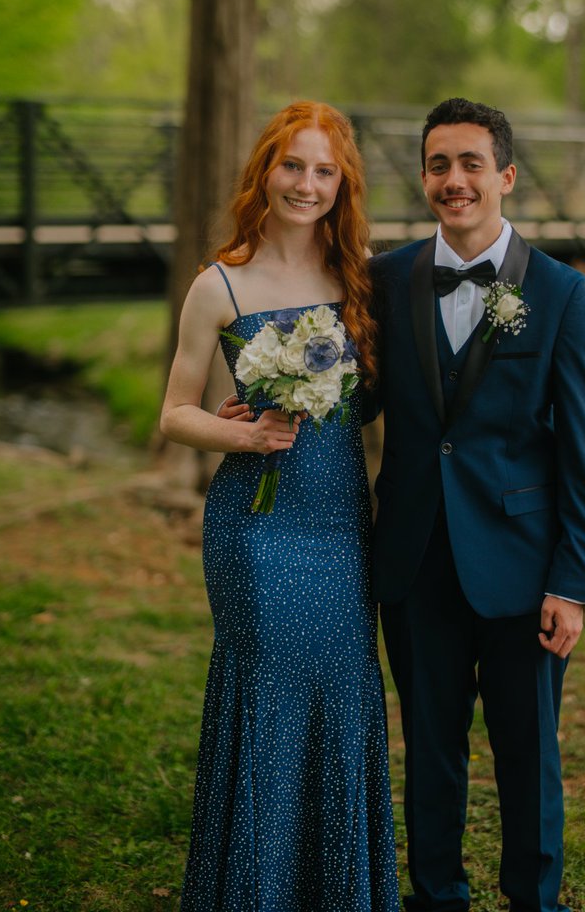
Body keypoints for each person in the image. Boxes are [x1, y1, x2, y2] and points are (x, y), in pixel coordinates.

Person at [370, 97, 585, 912]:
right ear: (423, 178)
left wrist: (573, 581)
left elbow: (584, 450)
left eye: (471, 163)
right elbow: (359, 400)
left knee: (527, 753)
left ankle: (533, 901)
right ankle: (436, 896)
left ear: (506, 175)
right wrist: (277, 398)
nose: (455, 180)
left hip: (525, 569)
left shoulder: (564, 293)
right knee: (430, 750)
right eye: (438, 164)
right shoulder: (386, 280)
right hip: (414, 559)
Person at [161, 100, 399, 912]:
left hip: (341, 524)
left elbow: (371, 402)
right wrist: (243, 435)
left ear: (342, 184)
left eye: (324, 171)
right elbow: (175, 413)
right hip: (256, 531)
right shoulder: (219, 283)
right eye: (292, 165)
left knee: (342, 691)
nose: (306, 184)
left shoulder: (358, 276)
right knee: (270, 697)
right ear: (265, 170)